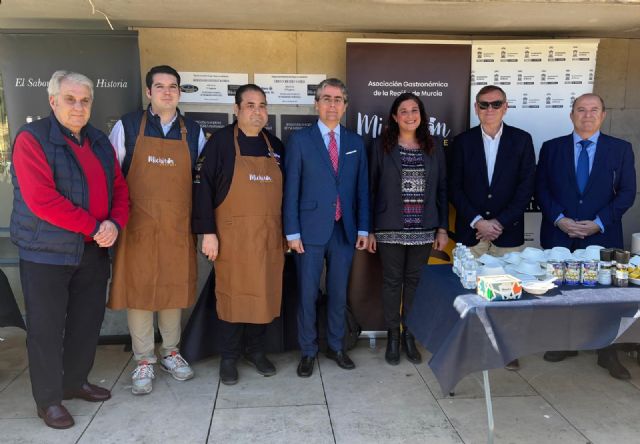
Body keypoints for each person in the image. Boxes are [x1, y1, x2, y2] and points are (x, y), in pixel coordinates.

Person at [10, 70, 129, 428]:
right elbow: (41, 200)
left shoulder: (98, 140)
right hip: (46, 253)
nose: (79, 107)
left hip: (92, 251)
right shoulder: (32, 138)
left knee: (86, 323)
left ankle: (74, 382)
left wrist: (115, 223)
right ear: (53, 101)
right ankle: (48, 401)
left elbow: (119, 189)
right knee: (46, 330)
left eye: (85, 100)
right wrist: (95, 226)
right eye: (70, 99)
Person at [108, 65, 206, 395]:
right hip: (136, 225)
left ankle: (171, 352)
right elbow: (111, 177)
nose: (167, 92)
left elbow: (200, 181)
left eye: (173, 86)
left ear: (179, 92)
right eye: (160, 86)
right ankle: (144, 359)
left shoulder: (193, 132)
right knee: (138, 291)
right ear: (148, 92)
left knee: (172, 288)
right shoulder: (127, 126)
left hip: (177, 226)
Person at [536, 93, 636, 379]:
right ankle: (564, 343)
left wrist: (598, 223)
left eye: (594, 110)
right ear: (571, 115)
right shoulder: (551, 148)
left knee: (604, 296)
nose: (587, 115)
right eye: (581, 109)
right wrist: (560, 219)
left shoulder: (620, 149)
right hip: (560, 233)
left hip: (601, 234)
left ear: (603, 115)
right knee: (560, 291)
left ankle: (607, 352)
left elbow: (627, 192)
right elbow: (541, 188)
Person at [193, 84, 285, 385]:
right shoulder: (220, 143)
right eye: (250, 105)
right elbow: (202, 189)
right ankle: (229, 357)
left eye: (262, 106)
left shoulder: (275, 146)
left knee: (264, 294)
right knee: (231, 297)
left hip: (268, 237)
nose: (257, 112)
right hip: (231, 238)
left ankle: (256, 351)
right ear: (236, 109)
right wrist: (207, 232)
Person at [283, 78, 369, 377]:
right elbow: (291, 189)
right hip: (308, 231)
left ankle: (336, 345)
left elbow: (362, 190)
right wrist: (292, 232)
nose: (332, 105)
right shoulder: (300, 140)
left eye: (338, 99)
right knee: (307, 294)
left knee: (338, 292)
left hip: (344, 230)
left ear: (345, 106)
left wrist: (363, 229)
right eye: (327, 98)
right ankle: (308, 351)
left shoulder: (355, 142)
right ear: (316, 103)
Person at [450, 85, 536, 371]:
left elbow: (526, 188)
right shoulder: (462, 142)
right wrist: (478, 221)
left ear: (505, 107)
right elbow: (454, 187)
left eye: (496, 104)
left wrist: (499, 223)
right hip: (471, 232)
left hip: (507, 233)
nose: (490, 109)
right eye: (484, 104)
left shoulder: (522, 140)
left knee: (507, 294)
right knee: (468, 293)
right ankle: (469, 346)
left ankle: (506, 349)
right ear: (476, 108)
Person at [367, 92, 449, 365]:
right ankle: (393, 335)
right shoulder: (380, 146)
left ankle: (409, 335)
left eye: (415, 110)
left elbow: (442, 189)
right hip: (389, 227)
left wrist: (442, 228)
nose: (410, 115)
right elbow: (370, 188)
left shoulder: (434, 146)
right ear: (394, 116)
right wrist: (369, 229)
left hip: (424, 228)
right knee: (392, 282)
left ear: (422, 115)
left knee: (415, 283)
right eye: (403, 111)